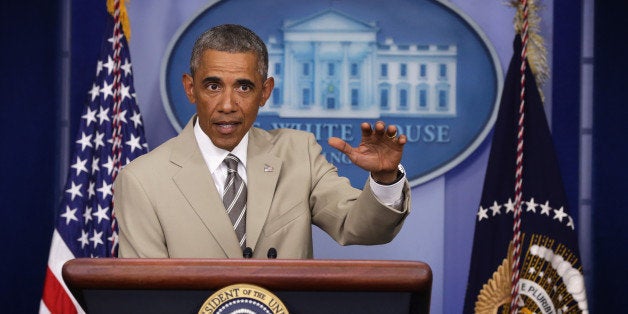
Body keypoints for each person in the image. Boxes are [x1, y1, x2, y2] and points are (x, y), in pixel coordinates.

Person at [114, 24, 411, 259]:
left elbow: (359, 227)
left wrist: (385, 179)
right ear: (191, 89)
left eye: (244, 87)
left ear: (265, 92)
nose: (227, 104)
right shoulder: (143, 180)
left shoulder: (299, 154)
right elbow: (146, 293)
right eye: (213, 86)